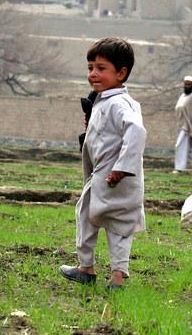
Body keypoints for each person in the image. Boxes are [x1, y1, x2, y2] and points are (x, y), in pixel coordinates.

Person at [59, 37, 146, 290]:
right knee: (104, 220)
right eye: (90, 68)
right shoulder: (105, 100)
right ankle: (102, 272)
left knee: (106, 221)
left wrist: (121, 168)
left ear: (121, 73)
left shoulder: (118, 103)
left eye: (101, 68)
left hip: (114, 175)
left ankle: (95, 270)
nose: (93, 74)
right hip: (106, 175)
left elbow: (136, 131)